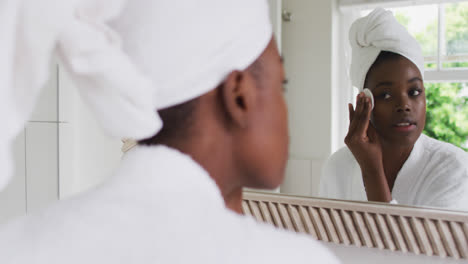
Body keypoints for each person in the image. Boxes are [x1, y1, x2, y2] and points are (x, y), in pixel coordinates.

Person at [0, 0, 339, 263]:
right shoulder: (288, 259)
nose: (285, 109)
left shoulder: (17, 245)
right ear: (240, 95)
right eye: (282, 85)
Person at [320, 8, 468, 211]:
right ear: (365, 103)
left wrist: (371, 171)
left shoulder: (454, 167)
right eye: (386, 95)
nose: (404, 105)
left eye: (414, 91)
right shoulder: (338, 167)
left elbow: (412, 243)